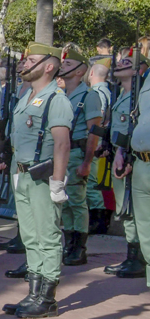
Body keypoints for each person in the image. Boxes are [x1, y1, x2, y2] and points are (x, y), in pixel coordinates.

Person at [0, 43, 72, 318]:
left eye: (31, 60)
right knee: (30, 235)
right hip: (22, 174)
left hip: (43, 176)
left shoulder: (57, 99)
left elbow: (62, 144)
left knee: (47, 235)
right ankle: (33, 292)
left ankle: (47, 298)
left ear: (50, 66)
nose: (24, 63)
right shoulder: (25, 96)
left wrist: (57, 182)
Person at [105, 49, 148, 278]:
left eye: (127, 62)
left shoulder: (140, 96)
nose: (120, 64)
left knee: (134, 210)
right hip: (119, 155)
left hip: (132, 158)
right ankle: (132, 255)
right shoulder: (122, 94)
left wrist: (127, 152)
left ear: (139, 70)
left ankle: (138, 258)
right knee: (125, 208)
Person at [58, 45, 102, 265]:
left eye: (67, 63)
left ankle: (80, 247)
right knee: (64, 201)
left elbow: (94, 132)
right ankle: (70, 243)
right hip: (61, 154)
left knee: (77, 201)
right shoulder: (60, 94)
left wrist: (87, 162)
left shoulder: (89, 95)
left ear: (79, 71)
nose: (62, 66)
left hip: (77, 152)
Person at [87, 60, 114, 234]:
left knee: (91, 184)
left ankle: (98, 221)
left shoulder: (97, 93)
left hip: (95, 142)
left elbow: (99, 121)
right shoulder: (107, 91)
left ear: (91, 73)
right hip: (99, 141)